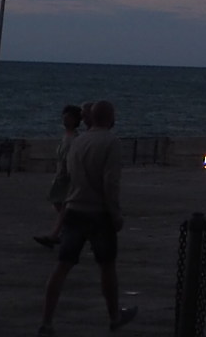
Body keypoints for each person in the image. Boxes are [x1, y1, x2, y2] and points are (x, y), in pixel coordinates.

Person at [40, 98, 136, 332]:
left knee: (62, 266)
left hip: (74, 209)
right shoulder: (111, 142)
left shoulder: (78, 141)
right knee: (107, 266)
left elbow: (69, 175)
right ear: (110, 118)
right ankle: (114, 316)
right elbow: (110, 183)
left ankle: (47, 321)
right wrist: (115, 214)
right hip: (99, 212)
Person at [35, 103, 85, 248]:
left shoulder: (75, 138)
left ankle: (56, 234)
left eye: (68, 117)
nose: (65, 120)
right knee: (58, 201)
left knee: (63, 204)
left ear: (75, 120)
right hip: (61, 175)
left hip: (68, 176)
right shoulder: (66, 136)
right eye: (64, 117)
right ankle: (67, 228)